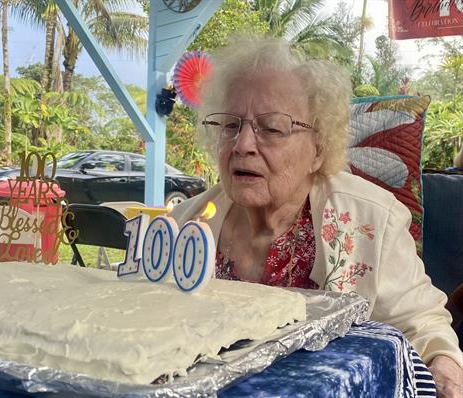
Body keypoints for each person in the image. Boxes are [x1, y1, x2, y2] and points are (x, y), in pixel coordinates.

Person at [169, 35, 463, 397]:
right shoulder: (184, 225)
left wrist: (445, 366)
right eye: (230, 126)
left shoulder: (373, 221)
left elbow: (421, 325)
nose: (242, 145)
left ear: (319, 150)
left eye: (272, 128)